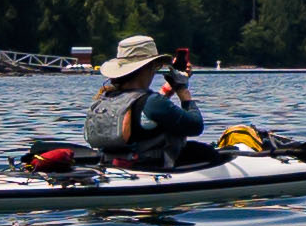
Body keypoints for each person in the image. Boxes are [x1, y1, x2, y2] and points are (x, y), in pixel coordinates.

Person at [81, 35, 215, 169]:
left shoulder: (104, 99)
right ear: (150, 66)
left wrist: (169, 88)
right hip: (148, 169)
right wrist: (182, 90)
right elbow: (195, 126)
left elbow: (142, 111)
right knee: (206, 152)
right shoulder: (152, 103)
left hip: (110, 166)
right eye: (156, 66)